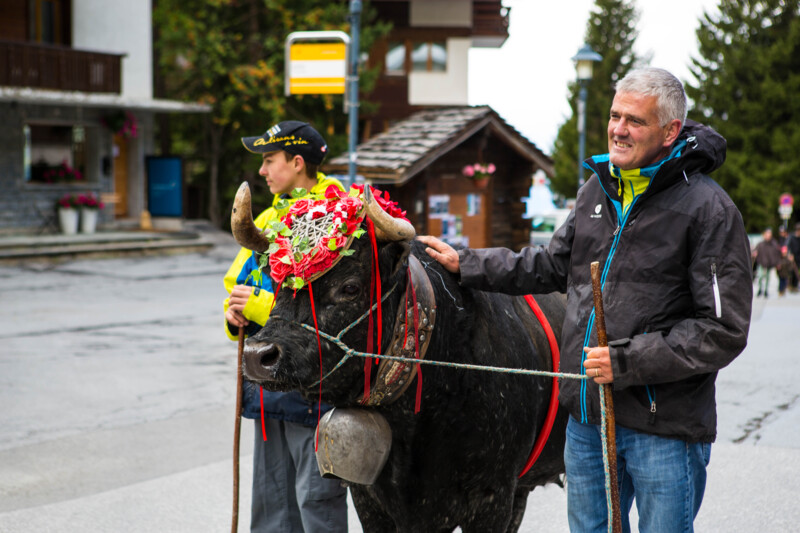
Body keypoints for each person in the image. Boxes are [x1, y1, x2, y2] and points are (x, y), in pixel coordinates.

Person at [418, 67, 752, 532]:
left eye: (635, 120)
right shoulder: (597, 189)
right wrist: (467, 263)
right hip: (588, 419)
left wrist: (626, 362)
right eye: (615, 116)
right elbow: (550, 264)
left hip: (664, 427)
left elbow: (723, 329)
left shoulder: (709, 210)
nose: (619, 129)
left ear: (670, 131)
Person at [223, 120, 348, 532]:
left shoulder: (337, 216)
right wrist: (233, 315)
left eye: (269, 160)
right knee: (272, 505)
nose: (262, 171)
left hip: (316, 389)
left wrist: (259, 307)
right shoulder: (270, 215)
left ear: (297, 163)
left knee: (315, 503)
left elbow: (329, 304)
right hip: (267, 386)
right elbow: (236, 283)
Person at [752, 227, 781, 297]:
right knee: (760, 276)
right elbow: (755, 250)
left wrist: (778, 263)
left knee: (767, 278)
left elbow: (777, 254)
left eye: (769, 235)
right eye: (767, 235)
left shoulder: (774, 244)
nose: (768, 236)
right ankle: (760, 289)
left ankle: (766, 290)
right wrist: (755, 253)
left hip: (769, 263)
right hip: (761, 263)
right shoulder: (760, 244)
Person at [787, 223, 800, 293]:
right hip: (792, 257)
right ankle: (790, 285)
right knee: (791, 272)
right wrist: (789, 254)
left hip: (798, 257)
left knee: (797, 272)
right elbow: (788, 246)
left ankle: (795, 286)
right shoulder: (791, 237)